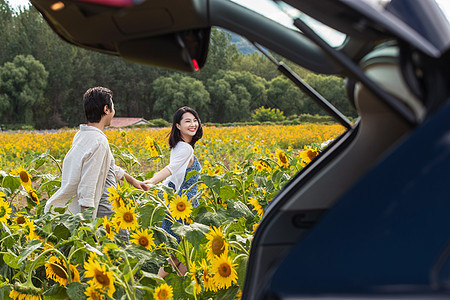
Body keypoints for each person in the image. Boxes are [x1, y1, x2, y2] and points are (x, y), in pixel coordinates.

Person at [44, 87, 148, 221]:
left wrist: (133, 181)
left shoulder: (82, 136)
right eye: (113, 107)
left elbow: (106, 167)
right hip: (92, 213)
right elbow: (88, 185)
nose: (114, 112)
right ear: (106, 109)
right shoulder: (99, 141)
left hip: (83, 208)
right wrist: (85, 224)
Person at [144, 106, 203, 276]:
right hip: (183, 208)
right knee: (181, 255)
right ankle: (159, 288)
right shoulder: (186, 148)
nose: (193, 124)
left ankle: (174, 287)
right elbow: (170, 169)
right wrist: (152, 181)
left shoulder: (179, 146)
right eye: (187, 121)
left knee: (179, 257)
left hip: (178, 205)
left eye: (195, 120)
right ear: (178, 126)